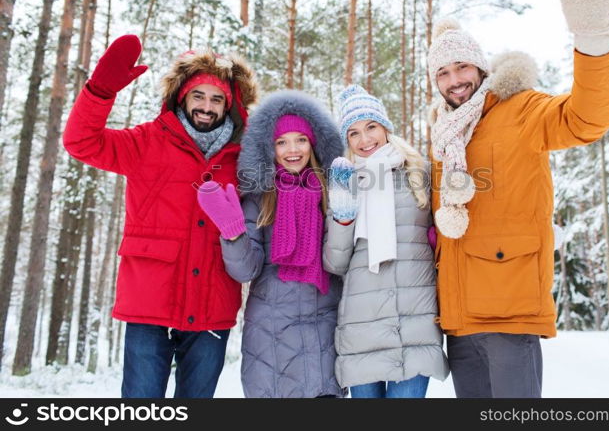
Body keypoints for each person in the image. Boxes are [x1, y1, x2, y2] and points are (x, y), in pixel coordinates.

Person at [426, 0, 609, 397]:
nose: (455, 80)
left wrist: (592, 40)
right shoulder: (445, 134)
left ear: (480, 66)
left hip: (509, 311)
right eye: (443, 73)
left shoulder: (522, 108)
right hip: (458, 319)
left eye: (462, 67)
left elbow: (588, 118)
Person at [62, 35, 258, 397]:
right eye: (199, 96)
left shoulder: (242, 159)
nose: (206, 106)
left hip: (211, 307)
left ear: (228, 106)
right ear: (182, 96)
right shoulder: (148, 141)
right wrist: (99, 92)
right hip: (149, 303)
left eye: (217, 99)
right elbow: (81, 142)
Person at [197, 91, 345, 398]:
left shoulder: (335, 193)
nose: (292, 149)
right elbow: (246, 270)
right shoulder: (259, 197)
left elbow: (342, 260)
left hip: (325, 332)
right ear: (270, 148)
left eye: (301, 140)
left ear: (314, 143)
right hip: (271, 336)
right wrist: (233, 232)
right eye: (282, 142)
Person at [322, 85, 449, 398]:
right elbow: (335, 263)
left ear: (385, 127)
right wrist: (343, 216)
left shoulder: (420, 172)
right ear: (346, 141)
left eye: (371, 127)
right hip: (362, 326)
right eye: (353, 133)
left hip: (414, 323)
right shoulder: (343, 181)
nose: (365, 140)